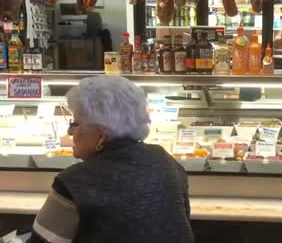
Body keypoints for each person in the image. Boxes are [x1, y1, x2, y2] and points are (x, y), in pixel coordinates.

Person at [29, 76, 194, 243]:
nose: (70, 131)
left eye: (75, 123)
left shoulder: (75, 181)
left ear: (101, 135)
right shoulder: (167, 162)